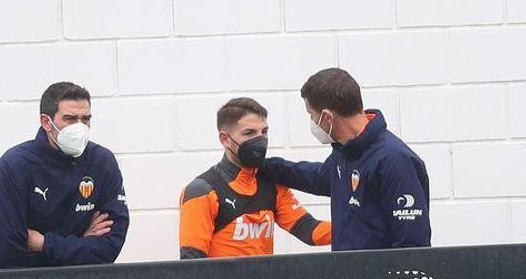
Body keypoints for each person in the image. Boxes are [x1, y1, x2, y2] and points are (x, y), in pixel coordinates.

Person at [261, 68, 431, 250]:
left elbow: (413, 246)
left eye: (311, 115)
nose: (312, 121)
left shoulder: (394, 160)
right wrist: (264, 166)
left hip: (378, 276)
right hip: (348, 275)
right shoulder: (345, 152)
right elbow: (317, 178)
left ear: (326, 117)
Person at [0, 82, 129, 268]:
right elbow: (5, 251)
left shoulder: (102, 162)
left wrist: (43, 243)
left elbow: (109, 247)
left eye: (85, 119)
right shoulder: (15, 165)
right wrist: (80, 244)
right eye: (70, 118)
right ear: (46, 122)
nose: (80, 126)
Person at [178, 97, 331, 259]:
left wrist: (357, 226)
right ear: (225, 139)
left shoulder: (272, 184)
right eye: (249, 133)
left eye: (264, 132)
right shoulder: (202, 191)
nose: (260, 140)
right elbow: (191, 262)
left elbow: (309, 230)